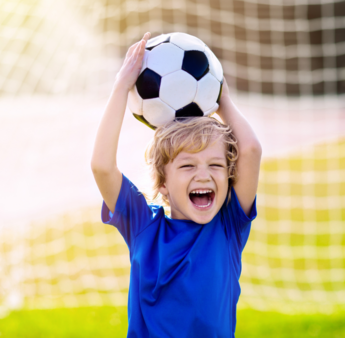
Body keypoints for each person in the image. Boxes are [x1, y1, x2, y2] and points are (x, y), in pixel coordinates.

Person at [91, 32, 262, 337]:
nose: (203, 175)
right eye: (187, 166)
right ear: (163, 183)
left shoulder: (228, 227)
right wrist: (121, 86)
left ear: (228, 175)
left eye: (215, 165)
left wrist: (220, 96)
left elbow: (250, 150)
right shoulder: (144, 226)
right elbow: (102, 166)